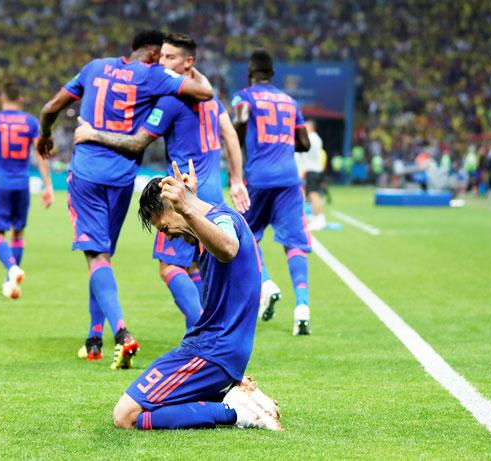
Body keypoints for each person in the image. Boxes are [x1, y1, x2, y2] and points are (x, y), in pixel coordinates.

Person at [37, 30, 214, 369]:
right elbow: (204, 92)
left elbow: (50, 108)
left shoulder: (94, 68)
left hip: (86, 174)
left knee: (96, 257)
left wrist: (45, 135)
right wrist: (185, 69)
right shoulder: (151, 75)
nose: (162, 62)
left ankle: (120, 333)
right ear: (151, 53)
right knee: (101, 256)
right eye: (160, 56)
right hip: (121, 180)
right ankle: (92, 340)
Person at [73, 32, 250, 331]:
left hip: (185, 192)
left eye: (169, 58)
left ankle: (201, 333)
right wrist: (236, 180)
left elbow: (137, 142)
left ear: (187, 62)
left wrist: (93, 134)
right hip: (212, 191)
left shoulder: (170, 102)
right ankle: (202, 327)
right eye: (161, 56)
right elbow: (230, 134)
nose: (161, 62)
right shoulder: (212, 98)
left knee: (169, 266)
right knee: (196, 265)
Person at [112, 162, 279, 431]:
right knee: (151, 406)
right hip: (216, 350)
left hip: (213, 351)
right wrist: (190, 205)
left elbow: (228, 247)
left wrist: (188, 207)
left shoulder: (222, 221)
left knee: (125, 416)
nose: (169, 238)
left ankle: (235, 412)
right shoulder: (211, 225)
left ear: (174, 207)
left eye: (165, 228)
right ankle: (235, 398)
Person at [231, 49, 312, 335]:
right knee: (294, 243)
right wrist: (283, 142)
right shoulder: (290, 101)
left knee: (247, 235)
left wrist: (241, 151)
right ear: (272, 75)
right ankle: (302, 307)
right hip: (289, 179)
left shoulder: (244, 97)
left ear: (250, 74)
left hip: (258, 177)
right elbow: (304, 142)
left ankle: (266, 283)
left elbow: (237, 129)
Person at [0, 81, 54, 299]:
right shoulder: (31, 122)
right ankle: (11, 283)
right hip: (22, 183)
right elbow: (40, 153)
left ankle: (12, 269)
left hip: (1, 184)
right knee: (18, 232)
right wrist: (48, 185)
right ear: (21, 100)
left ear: (1, 99)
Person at [300, 120, 326, 231]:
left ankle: (319, 218)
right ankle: (316, 217)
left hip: (313, 170)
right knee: (311, 195)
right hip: (313, 170)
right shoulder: (315, 138)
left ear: (311, 127)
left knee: (313, 195)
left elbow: (303, 149)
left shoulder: (313, 138)